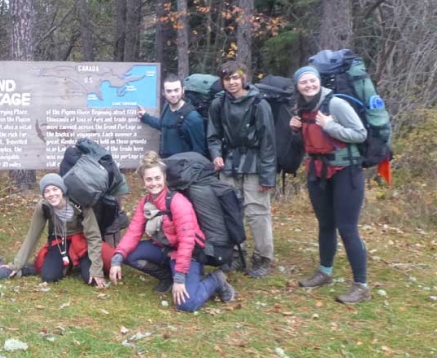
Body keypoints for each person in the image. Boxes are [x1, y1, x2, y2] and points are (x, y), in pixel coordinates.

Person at [109, 151, 236, 312]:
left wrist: (180, 277)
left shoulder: (178, 203)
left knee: (186, 304)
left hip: (189, 255)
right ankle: (166, 277)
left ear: (164, 178)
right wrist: (117, 258)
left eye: (157, 178)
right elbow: (133, 232)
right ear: (143, 181)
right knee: (129, 254)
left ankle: (216, 280)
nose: (153, 183)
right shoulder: (146, 202)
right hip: (165, 249)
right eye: (149, 179)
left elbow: (187, 241)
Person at [289, 66, 371, 304]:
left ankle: (361, 286)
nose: (308, 85)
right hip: (318, 172)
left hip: (347, 172)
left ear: (319, 81)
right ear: (297, 86)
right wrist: (295, 130)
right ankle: (325, 272)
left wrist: (329, 125)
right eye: (303, 82)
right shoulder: (303, 109)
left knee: (347, 228)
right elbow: (308, 143)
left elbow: (360, 133)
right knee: (325, 224)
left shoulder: (335, 104)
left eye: (312, 80)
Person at [207, 61, 276, 278]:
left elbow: (268, 142)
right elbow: (213, 135)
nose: (232, 82)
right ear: (223, 81)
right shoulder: (218, 104)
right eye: (227, 79)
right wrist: (216, 154)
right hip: (229, 163)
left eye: (236, 77)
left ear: (243, 78)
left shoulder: (259, 104)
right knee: (231, 210)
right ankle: (237, 253)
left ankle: (263, 257)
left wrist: (267, 175)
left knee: (257, 212)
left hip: (255, 163)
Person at [4, 174, 112, 287]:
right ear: (44, 195)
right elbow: (33, 235)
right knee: (49, 277)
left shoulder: (79, 203)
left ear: (62, 190)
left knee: (91, 279)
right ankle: (67, 264)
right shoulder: (43, 206)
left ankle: (82, 262)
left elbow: (93, 236)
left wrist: (96, 270)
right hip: (60, 241)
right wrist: (17, 265)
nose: (52, 194)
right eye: (47, 191)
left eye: (55, 189)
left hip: (82, 241)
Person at [137, 74, 208, 158]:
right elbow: (163, 125)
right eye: (169, 91)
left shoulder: (193, 118)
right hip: (166, 163)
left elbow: (199, 152)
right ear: (163, 92)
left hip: (184, 167)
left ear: (183, 90)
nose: (173, 94)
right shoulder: (166, 106)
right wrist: (145, 117)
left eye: (176, 90)